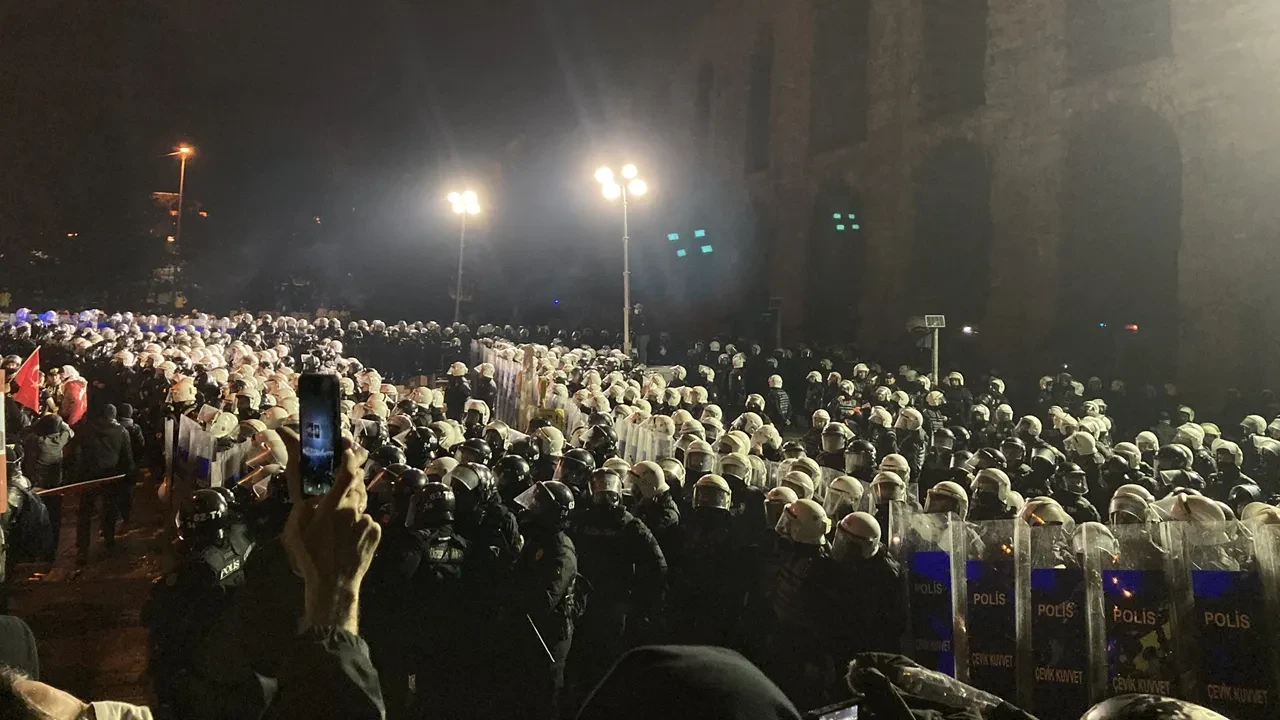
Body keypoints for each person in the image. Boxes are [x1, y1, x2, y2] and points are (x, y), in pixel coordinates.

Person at [141, 489, 257, 718]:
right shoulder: (240, 539)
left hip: (203, 657)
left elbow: (152, 615)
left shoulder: (195, 571)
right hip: (241, 641)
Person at [565, 468, 668, 707]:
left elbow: (656, 566)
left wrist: (641, 602)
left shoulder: (626, 524)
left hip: (606, 603)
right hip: (598, 602)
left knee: (598, 662)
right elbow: (657, 565)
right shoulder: (624, 524)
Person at [510, 480, 580, 720]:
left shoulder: (561, 550)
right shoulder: (537, 540)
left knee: (545, 697)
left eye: (536, 505)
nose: (528, 509)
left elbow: (543, 601)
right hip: (529, 633)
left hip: (549, 637)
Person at [71, 403, 135, 567]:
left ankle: (82, 550)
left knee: (84, 514)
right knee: (109, 510)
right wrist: (129, 477)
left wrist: (75, 476)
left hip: (88, 476)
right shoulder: (122, 431)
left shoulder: (86, 429)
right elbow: (126, 457)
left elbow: (74, 451)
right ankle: (109, 542)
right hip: (110, 477)